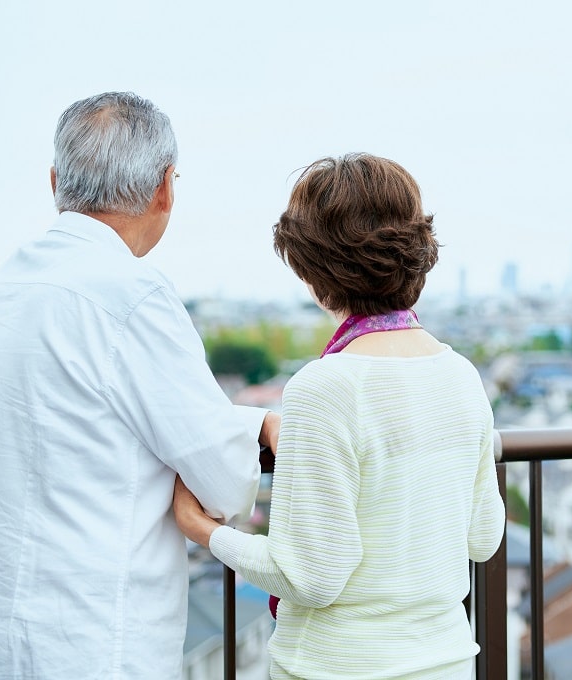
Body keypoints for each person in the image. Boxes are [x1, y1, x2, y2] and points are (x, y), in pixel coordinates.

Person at [0, 92, 280, 680]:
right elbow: (222, 477)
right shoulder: (132, 293)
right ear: (165, 188)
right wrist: (249, 432)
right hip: (90, 641)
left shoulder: (3, 287)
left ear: (55, 181)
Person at [173, 153, 506, 679]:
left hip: (338, 666)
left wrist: (203, 531)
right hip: (447, 660)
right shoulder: (461, 375)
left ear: (312, 271)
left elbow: (311, 576)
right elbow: (484, 537)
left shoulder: (325, 387)